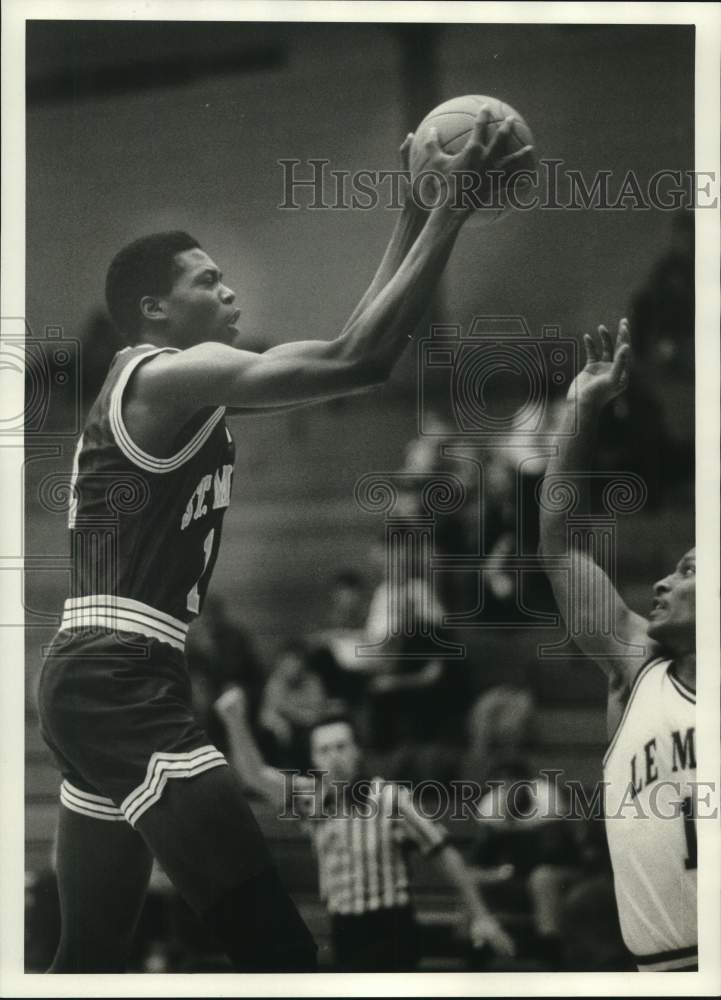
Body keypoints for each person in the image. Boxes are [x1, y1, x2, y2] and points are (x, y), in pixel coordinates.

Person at [36, 109, 533, 973]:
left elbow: (350, 347)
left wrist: (412, 212)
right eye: (208, 280)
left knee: (88, 959)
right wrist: (449, 211)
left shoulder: (175, 388)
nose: (230, 292)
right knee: (276, 949)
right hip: (119, 676)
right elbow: (357, 359)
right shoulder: (163, 375)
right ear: (155, 309)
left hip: (103, 675)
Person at [539, 319, 697, 972]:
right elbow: (557, 545)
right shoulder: (636, 667)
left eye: (687, 571)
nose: (662, 582)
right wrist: (581, 410)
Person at [215, 688, 516, 971]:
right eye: (324, 750)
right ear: (314, 760)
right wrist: (235, 721)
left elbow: (442, 851)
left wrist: (481, 915)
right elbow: (255, 775)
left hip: (391, 926)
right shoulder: (311, 799)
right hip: (345, 927)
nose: (334, 756)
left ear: (357, 752)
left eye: (341, 747)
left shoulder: (389, 797)